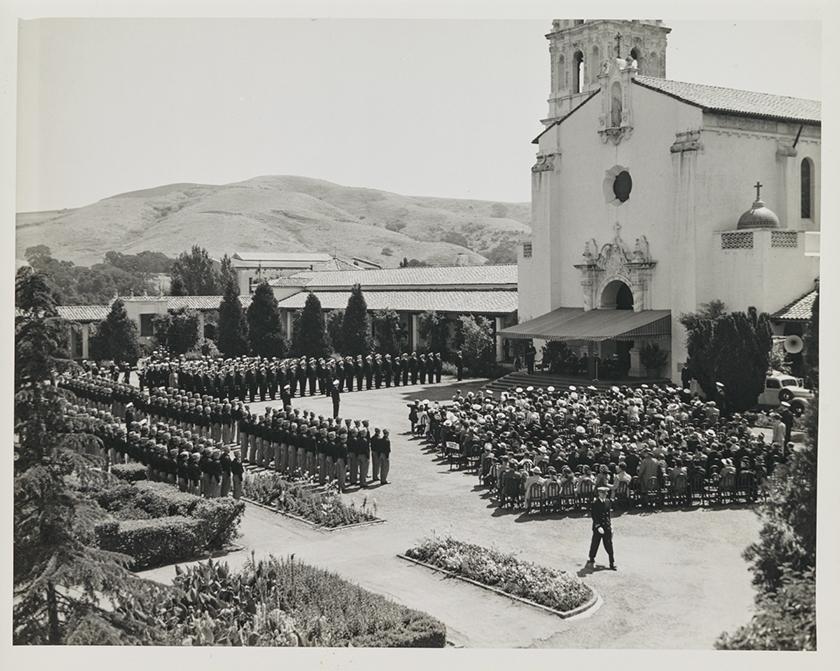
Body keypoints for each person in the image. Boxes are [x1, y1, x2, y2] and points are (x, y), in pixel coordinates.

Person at [588, 486, 616, 570]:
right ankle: (591, 558)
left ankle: (612, 563)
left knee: (609, 545)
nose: (605, 494)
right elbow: (594, 516)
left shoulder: (607, 502)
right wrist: (598, 526)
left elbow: (608, 515)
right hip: (598, 528)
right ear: (599, 493)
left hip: (606, 527)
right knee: (595, 543)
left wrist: (610, 525)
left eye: (606, 493)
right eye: (603, 493)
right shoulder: (594, 503)